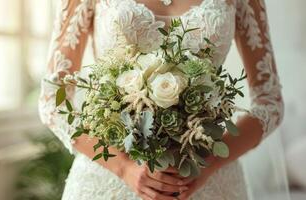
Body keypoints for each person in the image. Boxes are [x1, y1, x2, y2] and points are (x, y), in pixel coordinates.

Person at [38, 0, 285, 199]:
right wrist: (123, 166)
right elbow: (53, 100)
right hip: (109, 177)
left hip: (208, 180)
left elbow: (269, 102)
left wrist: (209, 163)